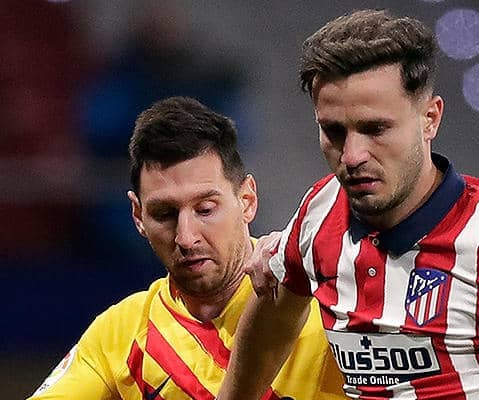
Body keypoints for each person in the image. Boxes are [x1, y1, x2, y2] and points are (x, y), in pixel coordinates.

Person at [219, 9, 479, 400]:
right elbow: (274, 308)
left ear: (430, 119)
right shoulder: (320, 209)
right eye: (334, 132)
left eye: (375, 129)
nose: (352, 155)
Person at [28, 97, 345, 400]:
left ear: (247, 200)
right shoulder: (120, 333)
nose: (186, 237)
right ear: (138, 216)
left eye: (205, 209)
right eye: (164, 214)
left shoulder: (324, 299)